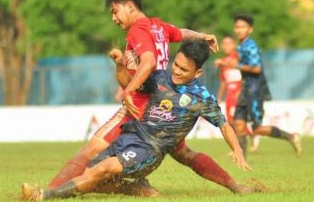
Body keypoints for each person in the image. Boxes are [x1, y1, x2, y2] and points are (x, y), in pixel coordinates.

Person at [47, 0, 245, 195]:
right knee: (185, 154)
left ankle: (47, 193)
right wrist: (202, 36)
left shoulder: (137, 30)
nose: (113, 18)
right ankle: (236, 186)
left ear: (130, 6)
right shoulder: (158, 26)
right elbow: (181, 32)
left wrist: (128, 91)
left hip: (142, 106)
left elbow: (148, 61)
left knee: (89, 151)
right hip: (165, 108)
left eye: (115, 11)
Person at [21, 40, 252, 201]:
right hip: (130, 136)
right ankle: (137, 189)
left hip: (150, 150)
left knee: (102, 170)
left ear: (198, 73)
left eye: (184, 69)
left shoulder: (201, 98)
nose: (177, 71)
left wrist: (237, 150)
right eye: (177, 64)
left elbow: (223, 124)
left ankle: (43, 196)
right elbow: (127, 84)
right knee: (92, 175)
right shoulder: (160, 77)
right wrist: (120, 64)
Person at [221, 14, 302, 157]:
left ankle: (291, 137)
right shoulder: (242, 45)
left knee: (257, 129)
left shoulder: (251, 45)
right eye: (237, 27)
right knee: (238, 125)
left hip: (255, 90)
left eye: (243, 27)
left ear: (250, 29)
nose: (239, 30)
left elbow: (257, 68)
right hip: (245, 89)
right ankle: (241, 161)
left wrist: (237, 65)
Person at [214, 35, 260, 152]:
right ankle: (251, 135)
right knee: (230, 122)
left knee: (236, 121)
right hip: (230, 94)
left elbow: (245, 74)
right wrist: (219, 97)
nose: (225, 46)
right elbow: (224, 81)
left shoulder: (238, 58)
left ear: (233, 45)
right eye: (223, 44)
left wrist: (242, 91)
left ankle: (244, 143)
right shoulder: (223, 62)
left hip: (239, 93)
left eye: (228, 43)